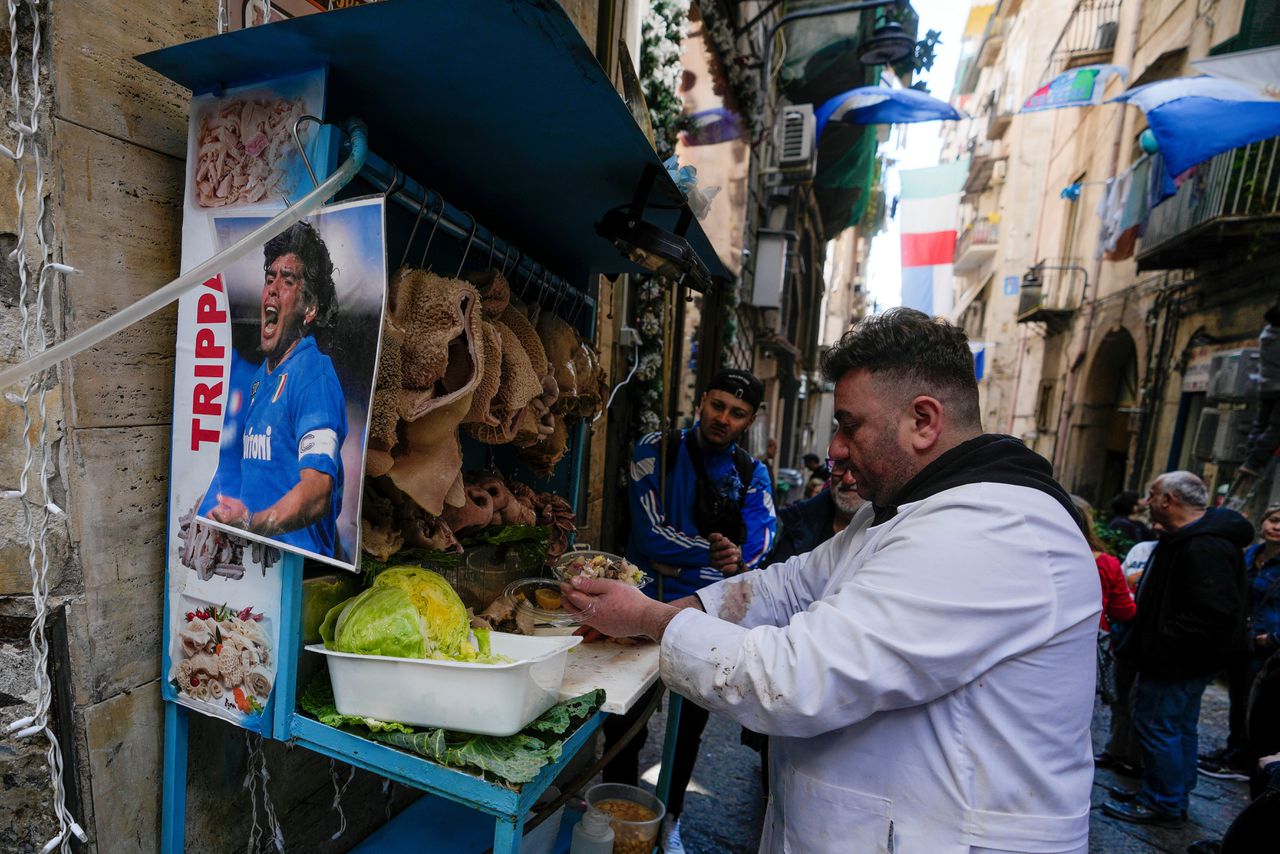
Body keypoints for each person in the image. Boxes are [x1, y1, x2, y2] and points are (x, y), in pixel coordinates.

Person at [568, 308, 1100, 853]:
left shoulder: (990, 529)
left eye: (850, 425)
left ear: (923, 421)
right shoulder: (901, 513)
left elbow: (797, 679)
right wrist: (665, 612)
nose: (837, 450)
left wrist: (648, 617)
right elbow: (785, 587)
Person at [604, 367, 777, 853]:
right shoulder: (654, 451)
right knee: (625, 720)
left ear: (750, 419)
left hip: (704, 621)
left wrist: (737, 561)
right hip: (642, 609)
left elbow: (761, 538)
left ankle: (670, 819)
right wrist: (716, 558)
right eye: (718, 405)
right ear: (701, 400)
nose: (724, 418)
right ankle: (612, 812)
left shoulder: (751, 473)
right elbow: (649, 534)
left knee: (689, 728)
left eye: (737, 412)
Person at [1103, 472, 1251, 825]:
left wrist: (1160, 643)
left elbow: (1210, 613)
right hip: (1183, 658)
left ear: (1169, 500)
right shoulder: (1187, 538)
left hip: (1177, 661)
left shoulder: (1203, 544)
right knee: (1176, 726)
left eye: (1153, 494)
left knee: (1159, 725)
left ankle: (1163, 800)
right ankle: (1169, 791)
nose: (1147, 500)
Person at [207, 220, 347, 557]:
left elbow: (316, 493)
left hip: (299, 571)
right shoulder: (259, 379)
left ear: (310, 309)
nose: (272, 288)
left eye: (287, 281)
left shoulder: (315, 375)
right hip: (260, 563)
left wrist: (253, 521)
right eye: (270, 278)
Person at [1201, 503, 1280, 780]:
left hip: (1268, 645)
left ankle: (1246, 757)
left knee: (1254, 702)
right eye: (1273, 520)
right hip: (1240, 639)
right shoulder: (1249, 556)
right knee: (1237, 696)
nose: (1277, 527)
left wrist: (1273, 639)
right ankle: (1234, 748)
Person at [1239, 303, 1280, 478]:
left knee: (1260, 425)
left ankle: (1249, 459)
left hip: (1266, 387)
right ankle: (1255, 462)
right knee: (1277, 427)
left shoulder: (1267, 335)